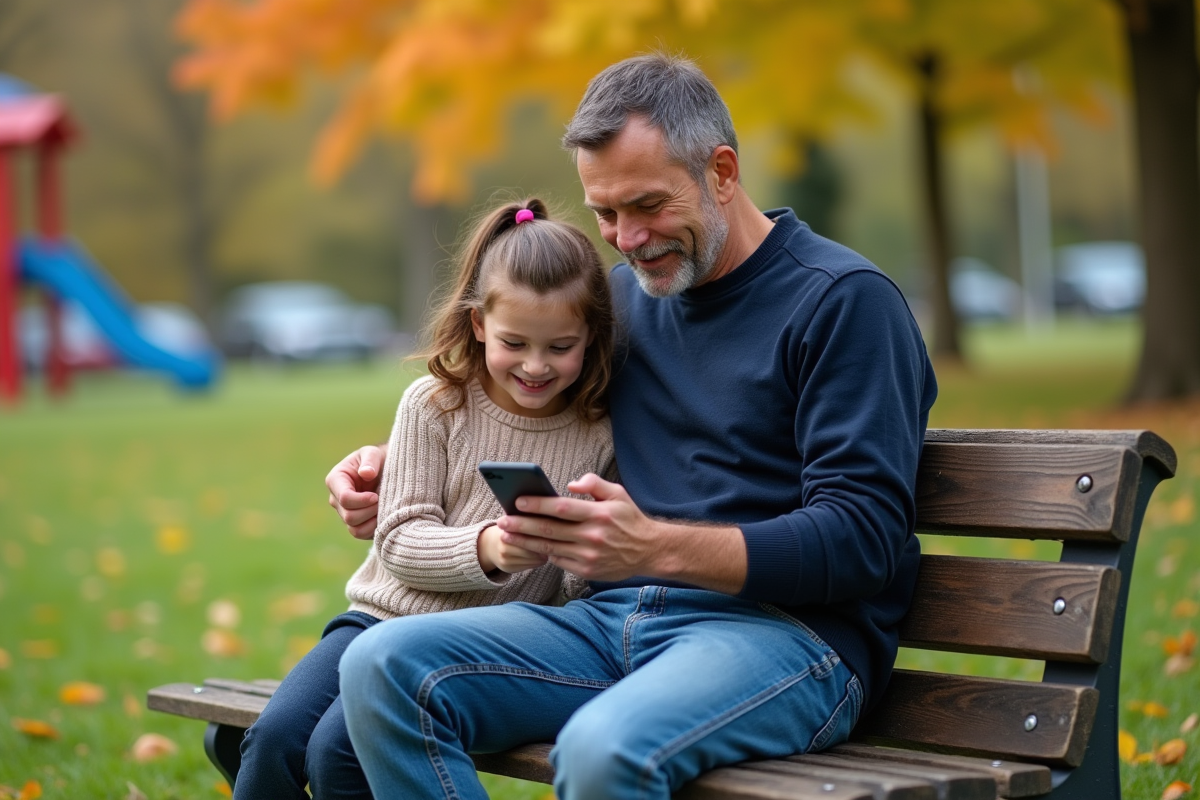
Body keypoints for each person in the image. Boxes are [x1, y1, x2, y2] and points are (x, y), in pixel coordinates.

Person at [329, 52, 939, 800]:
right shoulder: (625, 301)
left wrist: (653, 545)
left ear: (722, 172)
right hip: (610, 619)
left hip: (786, 639)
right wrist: (393, 460)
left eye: (648, 205)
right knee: (381, 665)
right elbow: (524, 402)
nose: (626, 237)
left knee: (602, 750)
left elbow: (863, 538)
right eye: (606, 213)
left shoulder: (844, 303)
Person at [234, 198, 616, 800]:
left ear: (591, 336)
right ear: (478, 325)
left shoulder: (598, 434)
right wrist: (488, 548)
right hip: (375, 622)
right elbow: (398, 539)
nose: (536, 365)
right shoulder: (435, 404)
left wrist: (570, 550)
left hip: (475, 646)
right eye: (515, 342)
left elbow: (579, 587)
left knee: (337, 752)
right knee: (271, 741)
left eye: (560, 346)